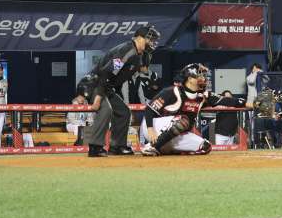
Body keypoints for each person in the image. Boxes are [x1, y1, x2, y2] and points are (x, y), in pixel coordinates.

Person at [140, 64, 250, 156]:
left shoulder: (203, 95)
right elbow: (149, 109)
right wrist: (150, 130)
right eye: (199, 76)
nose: (203, 79)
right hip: (154, 127)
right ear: (190, 79)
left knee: (205, 147)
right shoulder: (172, 91)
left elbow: (228, 101)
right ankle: (151, 147)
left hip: (177, 134)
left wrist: (253, 104)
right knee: (182, 120)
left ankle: (165, 149)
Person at [87, 25, 160, 157]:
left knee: (124, 111)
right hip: (94, 83)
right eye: (149, 39)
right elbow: (106, 71)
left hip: (106, 87)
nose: (151, 43)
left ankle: (117, 146)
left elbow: (119, 78)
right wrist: (99, 94)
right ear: (140, 38)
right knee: (105, 110)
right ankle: (95, 147)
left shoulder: (138, 55)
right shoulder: (127, 50)